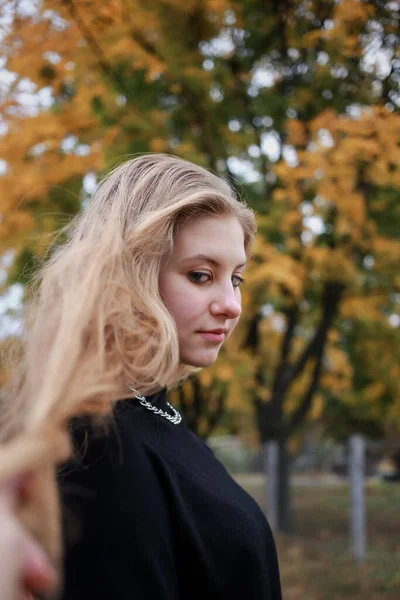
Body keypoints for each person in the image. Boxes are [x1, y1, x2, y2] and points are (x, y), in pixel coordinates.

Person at [5, 153, 282, 598]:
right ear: (130, 271)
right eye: (200, 275)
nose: (231, 305)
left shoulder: (154, 415)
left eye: (236, 279)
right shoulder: (100, 445)